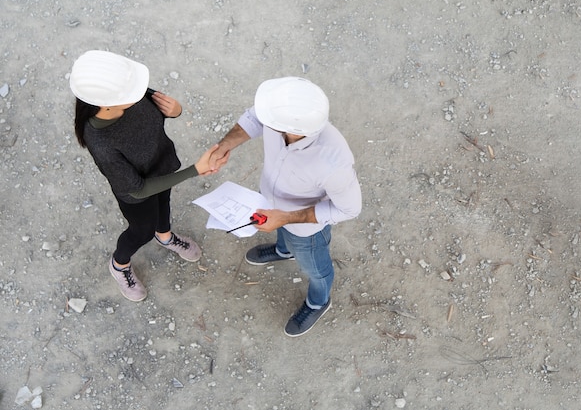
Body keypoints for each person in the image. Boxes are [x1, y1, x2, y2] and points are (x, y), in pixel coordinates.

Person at [208, 77, 362, 337]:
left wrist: (286, 217)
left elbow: (349, 209)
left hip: (306, 230)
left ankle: (318, 301)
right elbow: (255, 117)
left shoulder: (334, 163)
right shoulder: (281, 115)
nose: (264, 118)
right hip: (269, 201)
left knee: (316, 268)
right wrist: (223, 146)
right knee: (282, 235)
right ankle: (283, 250)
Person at [69, 50, 226, 302]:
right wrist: (195, 170)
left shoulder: (129, 92)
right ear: (106, 103)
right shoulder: (102, 143)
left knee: (164, 203)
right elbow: (139, 189)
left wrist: (175, 110)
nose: (141, 91)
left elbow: (160, 110)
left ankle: (164, 236)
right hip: (136, 193)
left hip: (162, 166)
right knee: (141, 230)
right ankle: (119, 265)